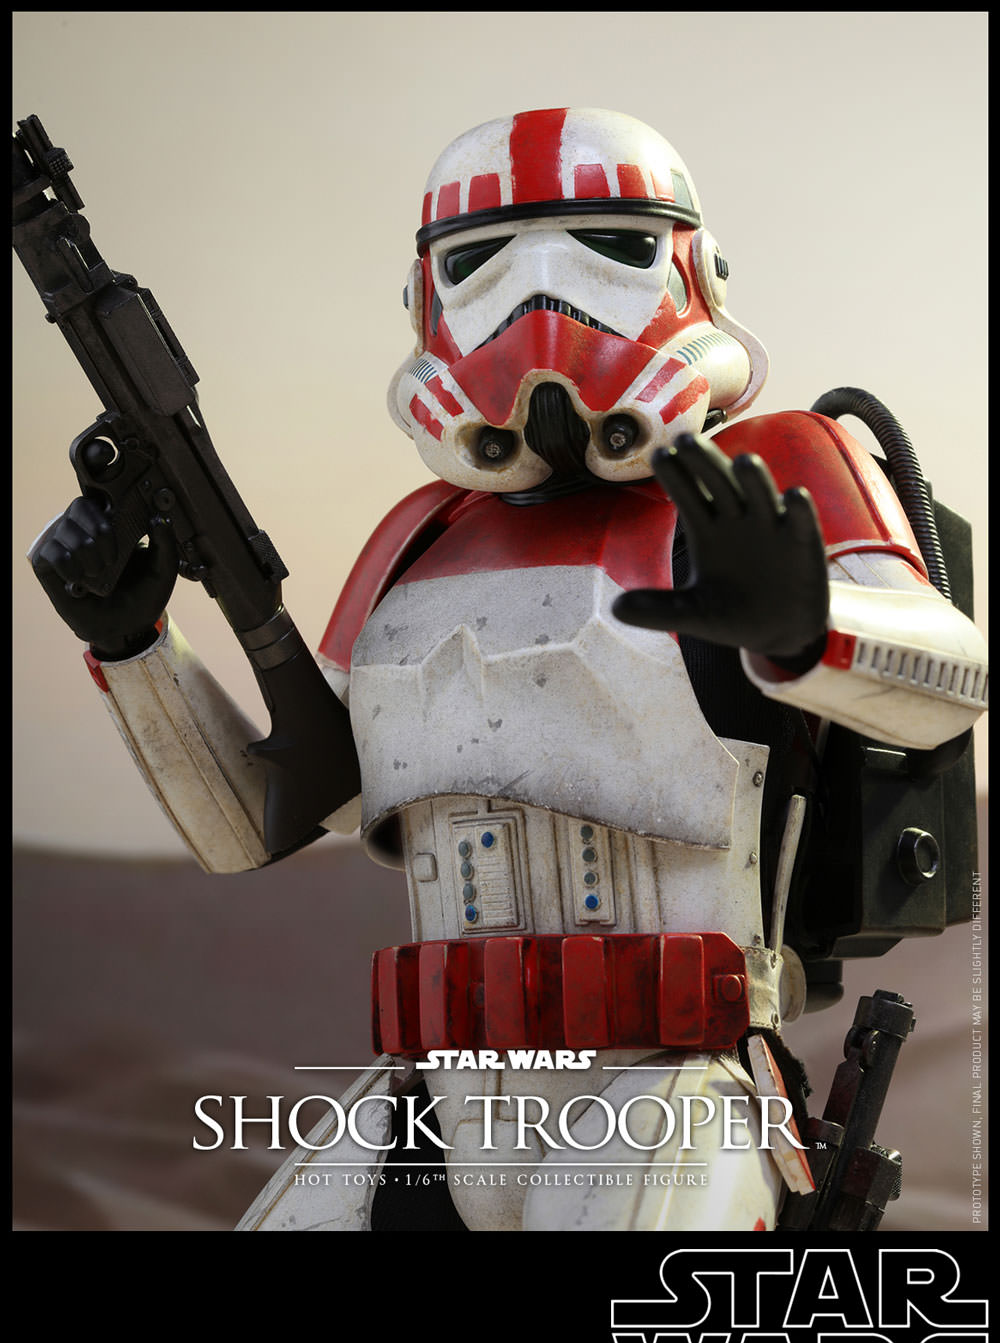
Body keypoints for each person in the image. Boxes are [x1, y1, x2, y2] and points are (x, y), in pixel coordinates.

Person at [31, 108, 988, 1231]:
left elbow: (950, 681)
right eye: (481, 260)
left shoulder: (776, 467)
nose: (542, 299)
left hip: (665, 1079)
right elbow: (266, 819)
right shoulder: (416, 534)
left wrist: (805, 625)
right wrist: (135, 646)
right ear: (426, 294)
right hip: (430, 1094)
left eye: (610, 245)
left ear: (694, 268)